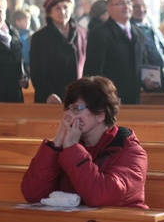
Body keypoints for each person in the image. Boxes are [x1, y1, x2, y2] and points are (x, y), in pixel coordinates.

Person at [21, 76, 148, 208]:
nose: (69, 115)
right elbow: (33, 194)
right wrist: (56, 144)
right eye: (68, 108)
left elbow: (99, 197)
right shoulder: (67, 147)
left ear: (100, 114)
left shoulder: (131, 151)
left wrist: (72, 148)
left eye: (77, 108)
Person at [83, 0, 146, 104]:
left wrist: (148, 82)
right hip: (109, 101)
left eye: (128, 3)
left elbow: (144, 64)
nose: (126, 7)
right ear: (109, 9)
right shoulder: (99, 34)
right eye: (121, 3)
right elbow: (94, 71)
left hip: (135, 100)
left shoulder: (139, 33)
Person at [29, 0, 86, 104]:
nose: (63, 12)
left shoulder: (81, 33)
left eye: (65, 7)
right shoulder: (40, 37)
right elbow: (37, 72)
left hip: (78, 99)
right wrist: (48, 94)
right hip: (52, 99)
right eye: (58, 8)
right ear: (49, 13)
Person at [131, 0, 164, 93]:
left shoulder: (152, 26)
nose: (141, 9)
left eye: (144, 5)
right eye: (136, 6)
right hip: (144, 86)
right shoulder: (129, 30)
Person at [12, 9, 34, 79]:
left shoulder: (32, 34)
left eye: (28, 20)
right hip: (18, 64)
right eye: (25, 20)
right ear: (17, 22)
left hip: (30, 63)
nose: (28, 22)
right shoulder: (14, 35)